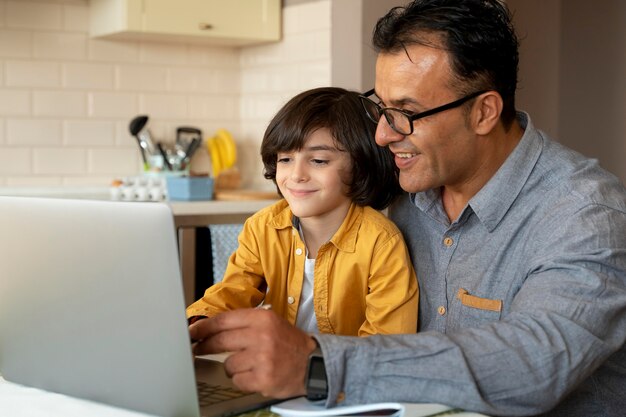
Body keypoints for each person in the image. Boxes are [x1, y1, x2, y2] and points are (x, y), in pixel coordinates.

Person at [189, 1, 626, 415]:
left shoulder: (586, 215)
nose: (382, 135)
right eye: (382, 107)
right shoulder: (395, 195)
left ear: (484, 112)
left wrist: (319, 362)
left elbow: (534, 363)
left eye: (406, 112)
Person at [187, 87, 418, 337]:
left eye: (318, 161)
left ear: (360, 166)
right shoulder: (262, 228)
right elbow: (232, 293)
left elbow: (386, 341)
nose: (296, 175)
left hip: (348, 374)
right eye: (285, 159)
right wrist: (196, 324)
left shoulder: (381, 243)